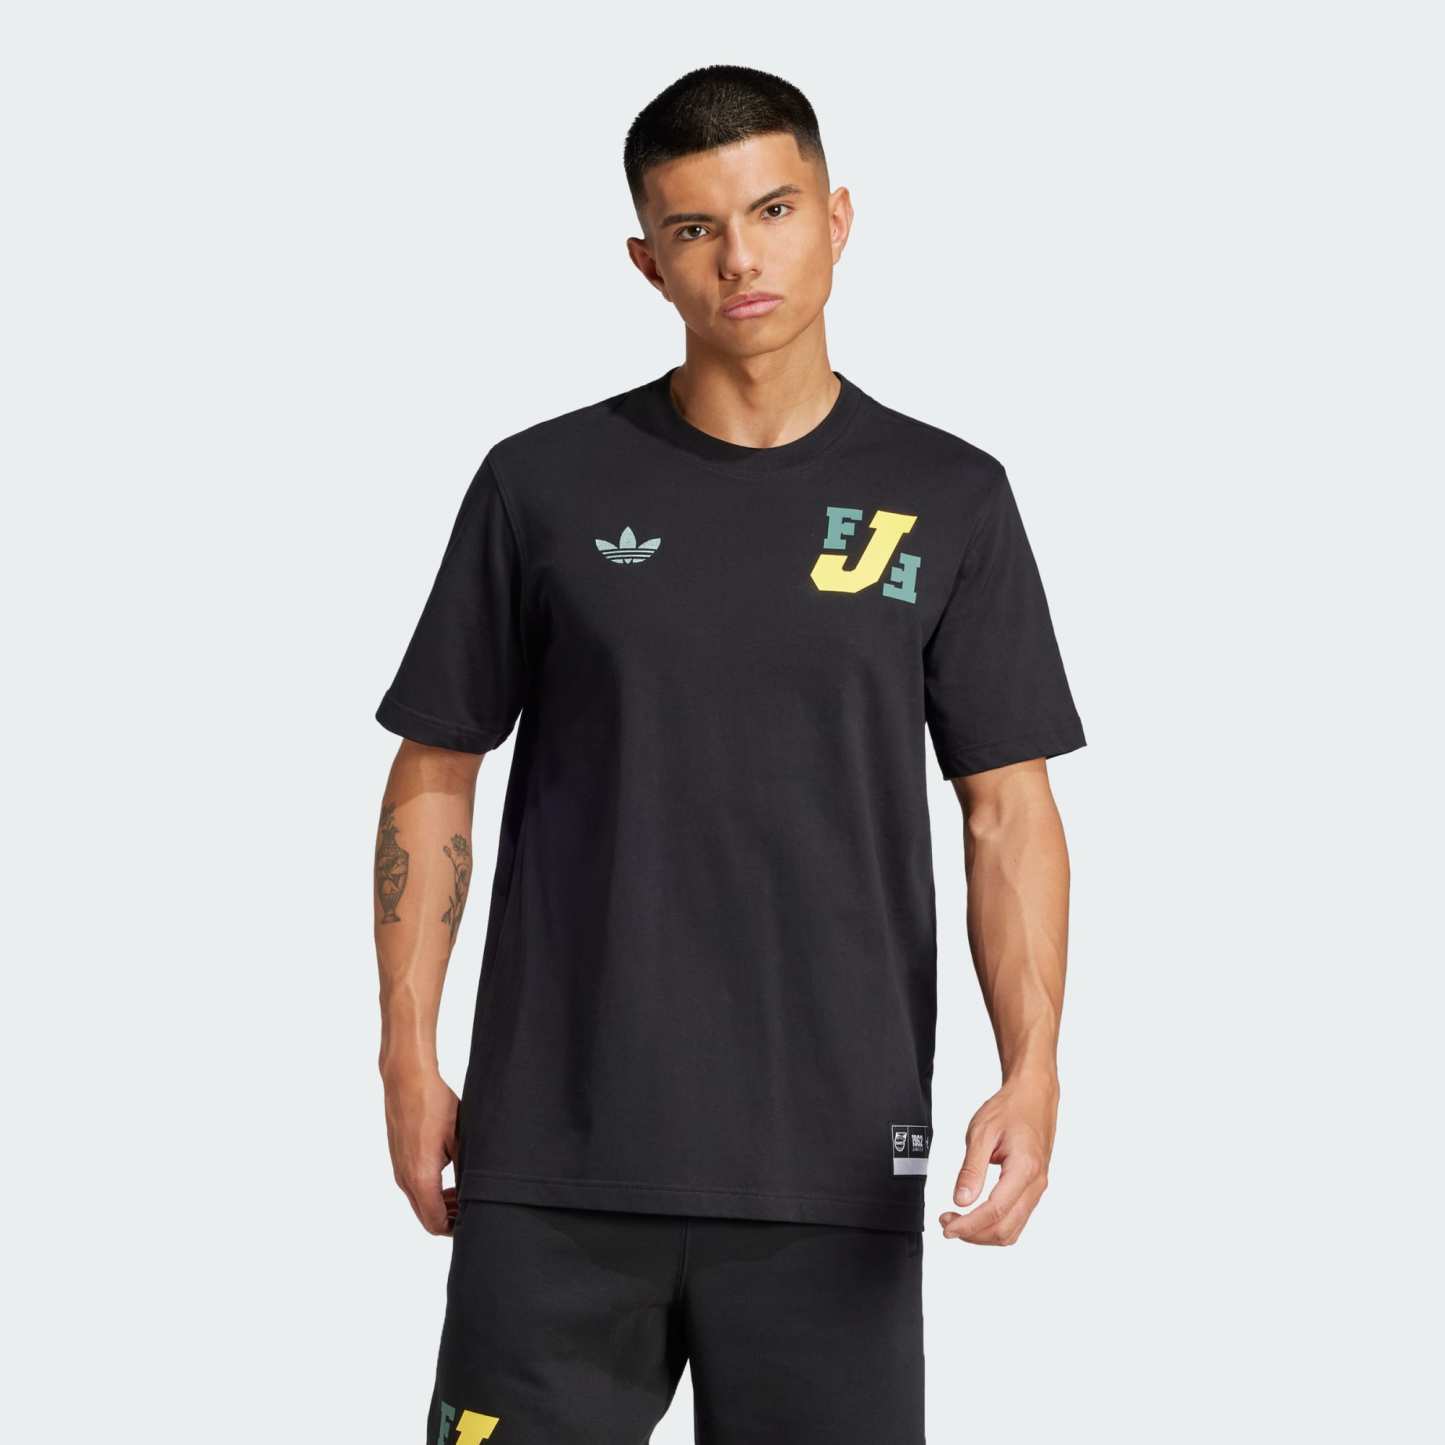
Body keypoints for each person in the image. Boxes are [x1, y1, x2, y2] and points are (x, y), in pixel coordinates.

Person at [373, 63, 1084, 1445]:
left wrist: (1034, 1065)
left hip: (834, 1166)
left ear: (838, 217)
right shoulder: (541, 484)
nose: (739, 257)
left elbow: (1007, 809)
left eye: (772, 209)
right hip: (554, 1161)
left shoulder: (950, 497)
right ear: (648, 261)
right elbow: (435, 770)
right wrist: (406, 1053)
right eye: (694, 227)